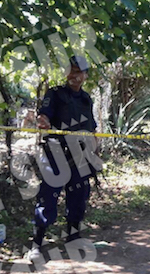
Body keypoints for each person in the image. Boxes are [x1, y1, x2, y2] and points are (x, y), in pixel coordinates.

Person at [29, 55, 99, 261]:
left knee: (78, 199)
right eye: (70, 70)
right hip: (56, 154)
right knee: (47, 198)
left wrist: (95, 152)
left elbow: (92, 128)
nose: (73, 75)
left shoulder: (86, 99)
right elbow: (44, 115)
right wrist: (43, 122)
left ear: (85, 76)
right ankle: (36, 244)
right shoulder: (55, 94)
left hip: (81, 157)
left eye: (78, 72)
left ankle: (73, 239)